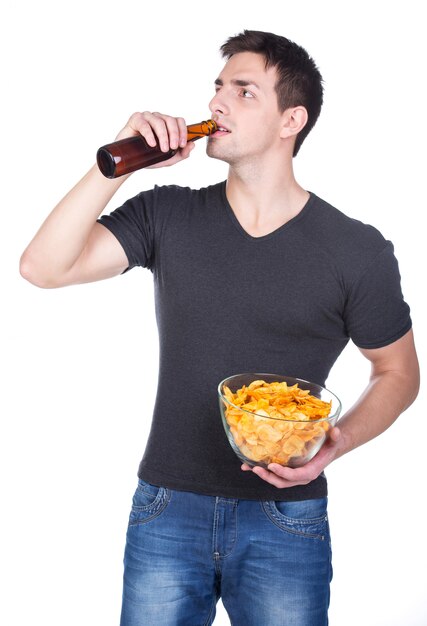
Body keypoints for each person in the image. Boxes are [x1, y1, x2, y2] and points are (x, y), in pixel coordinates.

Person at [20, 30, 419, 626]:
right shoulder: (167, 214)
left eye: (243, 90)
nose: (215, 104)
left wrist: (337, 442)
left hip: (287, 518)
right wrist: (120, 160)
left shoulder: (356, 250)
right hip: (166, 508)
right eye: (217, 88)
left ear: (292, 120)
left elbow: (398, 373)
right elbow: (42, 268)